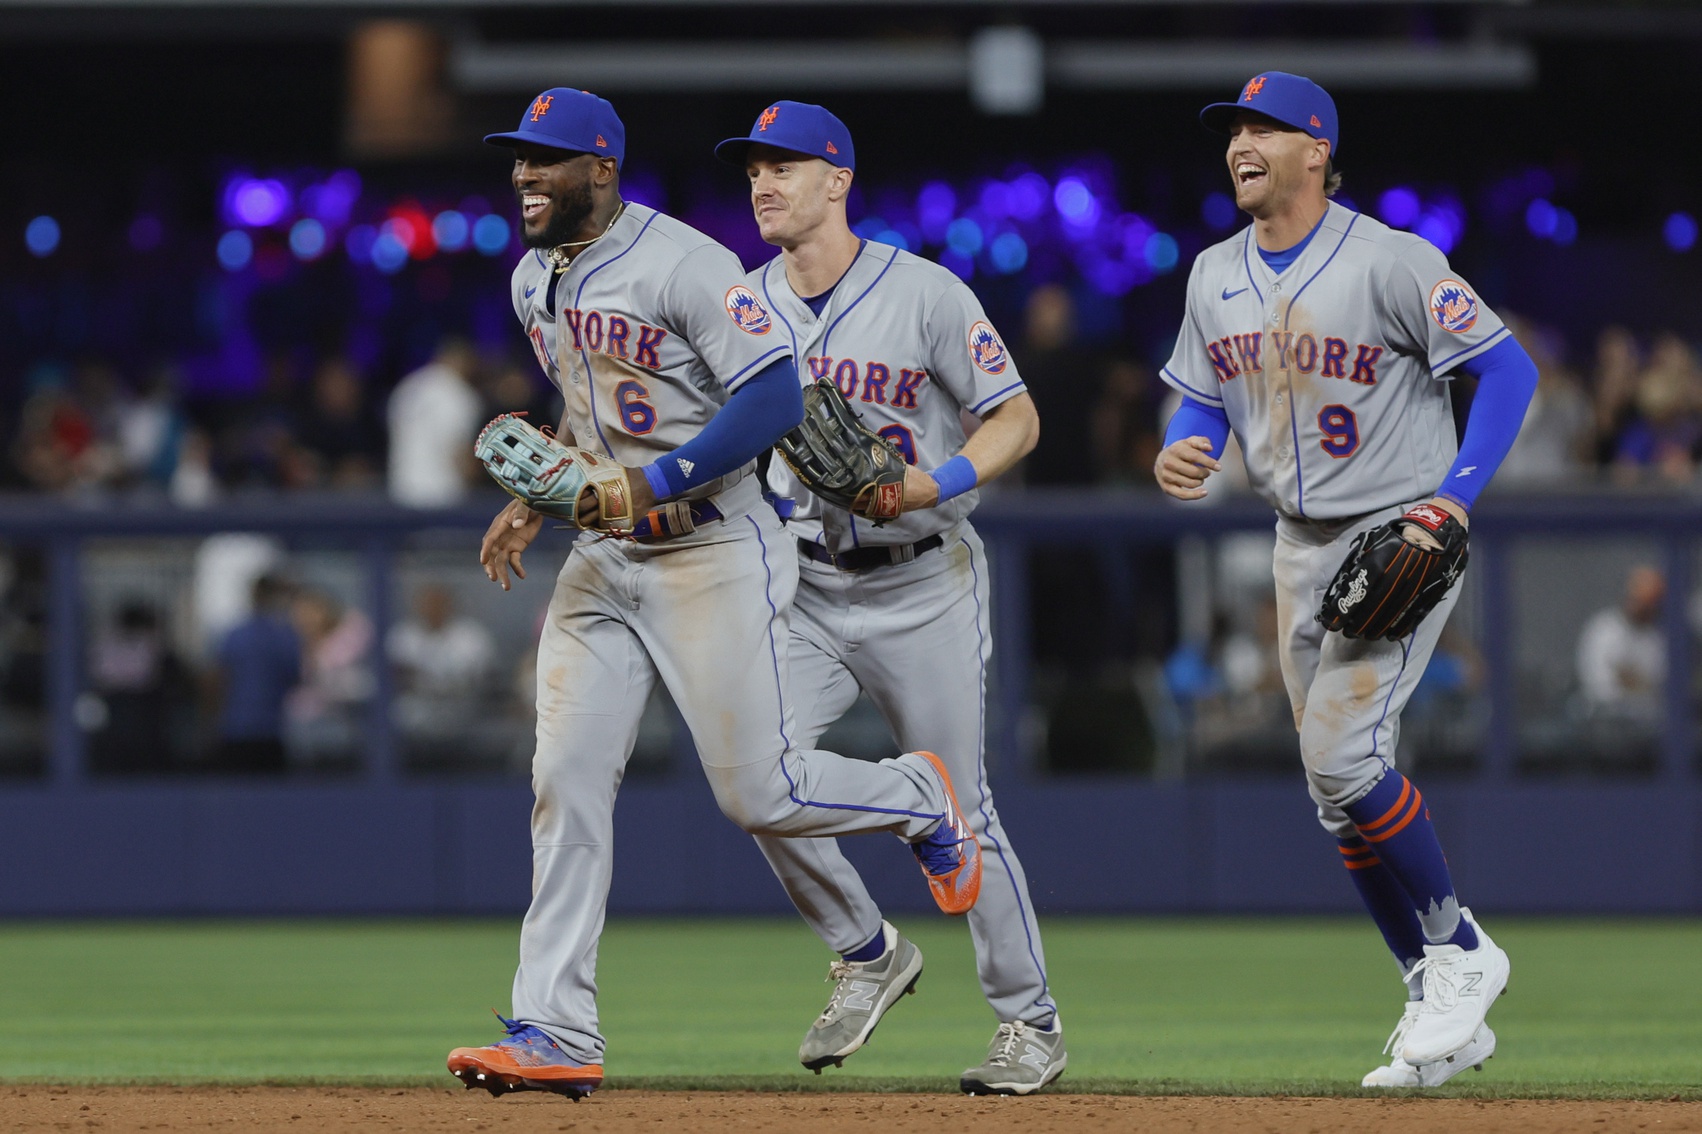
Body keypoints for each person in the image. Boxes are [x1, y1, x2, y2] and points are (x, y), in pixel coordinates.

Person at [447, 88, 984, 1100]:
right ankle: (556, 1031)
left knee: (757, 793)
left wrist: (644, 482)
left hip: (711, 545)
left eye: (546, 159)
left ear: (600, 169)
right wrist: (543, 488)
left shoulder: (687, 262)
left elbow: (773, 397)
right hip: (604, 561)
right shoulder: (532, 280)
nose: (523, 173)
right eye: (517, 157)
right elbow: (588, 400)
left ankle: (916, 795)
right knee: (563, 782)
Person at [1152, 72, 1537, 1088]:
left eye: (1265, 128)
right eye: (1233, 128)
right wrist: (1181, 447)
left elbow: (1507, 372)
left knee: (1338, 752)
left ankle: (1460, 951)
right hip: (1294, 542)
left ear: (1315, 149)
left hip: (1396, 532)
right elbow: (1196, 399)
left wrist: (1452, 497)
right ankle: (1430, 999)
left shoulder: (1391, 260)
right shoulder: (1210, 275)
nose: (1241, 141)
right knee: (1335, 797)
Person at [714, 102, 1060, 1095]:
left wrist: (931, 484)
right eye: (753, 171)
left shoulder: (924, 293)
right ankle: (866, 952)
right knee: (755, 781)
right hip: (806, 584)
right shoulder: (739, 305)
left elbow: (1016, 416)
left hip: (923, 579)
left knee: (971, 807)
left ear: (837, 181)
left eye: (784, 167)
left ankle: (1029, 1024)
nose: (764, 183)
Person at [208, 573, 301, 773]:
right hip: (267, 730)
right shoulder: (284, 636)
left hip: (239, 729)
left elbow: (217, 680)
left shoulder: (235, 635)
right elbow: (295, 677)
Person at [386, 338, 484, 507]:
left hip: (401, 491)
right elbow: (458, 454)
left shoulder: (408, 386)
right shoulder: (457, 394)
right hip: (441, 496)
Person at [1576, 564, 1666, 720]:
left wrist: (1631, 681)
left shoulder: (1656, 639)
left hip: (1648, 723)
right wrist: (1634, 685)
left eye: (1650, 604)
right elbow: (1600, 687)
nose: (1644, 608)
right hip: (1604, 721)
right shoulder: (1604, 629)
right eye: (1640, 601)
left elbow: (1658, 687)